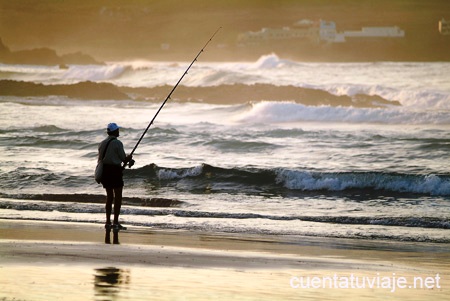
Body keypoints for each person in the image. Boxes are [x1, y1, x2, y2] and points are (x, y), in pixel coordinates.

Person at [98, 122, 133, 231]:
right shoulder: (118, 143)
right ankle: (116, 222)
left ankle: (108, 222)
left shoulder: (102, 143)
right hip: (115, 171)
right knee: (118, 197)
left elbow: (101, 159)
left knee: (109, 197)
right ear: (114, 131)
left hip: (105, 172)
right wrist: (129, 158)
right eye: (117, 130)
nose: (119, 131)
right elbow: (123, 158)